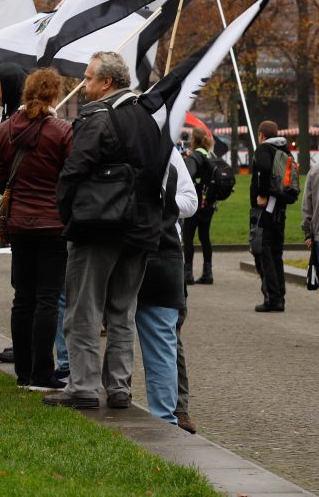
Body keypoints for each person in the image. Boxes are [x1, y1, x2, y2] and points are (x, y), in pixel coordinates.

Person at [45, 51, 166, 410]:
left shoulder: (96, 116)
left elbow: (74, 169)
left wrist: (67, 212)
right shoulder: (149, 116)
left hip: (98, 226)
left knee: (83, 309)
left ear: (107, 83)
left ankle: (82, 386)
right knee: (122, 312)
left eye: (88, 78)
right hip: (141, 226)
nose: (84, 85)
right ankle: (119, 388)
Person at [0, 69, 74, 391]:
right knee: (48, 299)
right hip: (54, 225)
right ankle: (42, 373)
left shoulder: (5, 130)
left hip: (19, 225)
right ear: (54, 95)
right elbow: (71, 178)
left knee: (23, 298)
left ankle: (23, 373)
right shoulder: (63, 131)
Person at [136, 148, 197, 425]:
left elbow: (190, 200)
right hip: (125, 247)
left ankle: (177, 408)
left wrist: (162, 200)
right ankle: (117, 398)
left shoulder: (166, 149)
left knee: (169, 332)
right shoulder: (112, 137)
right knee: (118, 332)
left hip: (165, 250)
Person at [250, 121, 292, 312]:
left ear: (261, 135)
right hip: (281, 209)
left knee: (263, 252)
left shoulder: (264, 150)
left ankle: (272, 298)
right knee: (277, 253)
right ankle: (280, 296)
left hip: (267, 210)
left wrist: (262, 194)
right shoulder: (284, 149)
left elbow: (264, 169)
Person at [182, 127, 219, 285]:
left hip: (196, 201)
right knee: (205, 237)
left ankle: (188, 273)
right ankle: (207, 272)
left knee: (188, 236)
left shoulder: (195, 155)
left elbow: (189, 174)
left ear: (194, 140)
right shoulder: (210, 154)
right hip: (209, 202)